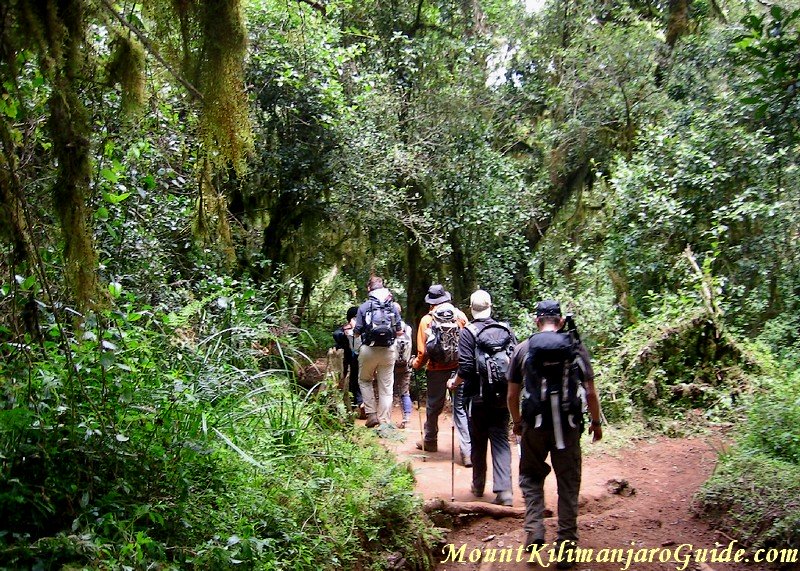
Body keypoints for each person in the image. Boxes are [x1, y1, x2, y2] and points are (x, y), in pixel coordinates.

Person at [506, 300, 603, 570]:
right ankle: (567, 547)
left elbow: (512, 394)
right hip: (569, 426)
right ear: (560, 321)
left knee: (531, 476)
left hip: (534, 426)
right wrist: (596, 423)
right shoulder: (575, 348)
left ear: (537, 322)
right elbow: (591, 392)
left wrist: (517, 422)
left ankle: (535, 529)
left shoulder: (523, 349)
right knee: (568, 482)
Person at [448, 290, 514, 506]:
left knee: (477, 439)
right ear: (490, 307)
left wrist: (454, 383)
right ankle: (504, 492)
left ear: (471, 309)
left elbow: (466, 367)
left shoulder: (468, 332)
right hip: (503, 397)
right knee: (501, 439)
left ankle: (478, 485)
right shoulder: (505, 329)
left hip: (476, 397)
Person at [411, 284, 471, 465]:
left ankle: (430, 441)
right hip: (459, 368)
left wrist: (416, 365)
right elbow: (468, 342)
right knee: (459, 409)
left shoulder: (426, 321)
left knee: (433, 406)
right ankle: (467, 452)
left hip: (436, 369)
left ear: (431, 303)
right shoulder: (460, 317)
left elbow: (423, 352)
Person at [353, 276, 403, 428]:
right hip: (388, 350)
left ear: (369, 289)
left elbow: (356, 332)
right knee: (386, 387)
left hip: (369, 349)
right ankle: (385, 421)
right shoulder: (392, 306)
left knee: (365, 380)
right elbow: (400, 331)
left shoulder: (365, 307)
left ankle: (371, 414)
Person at [332, 306, 364, 418]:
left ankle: (358, 404)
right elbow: (336, 335)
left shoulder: (361, 328)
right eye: (354, 317)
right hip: (345, 360)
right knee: (345, 380)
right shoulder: (344, 329)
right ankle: (349, 404)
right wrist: (345, 334)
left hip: (357, 359)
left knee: (356, 381)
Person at [392, 302, 414, 428]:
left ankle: (386, 418)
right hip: (405, 364)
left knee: (388, 391)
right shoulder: (408, 328)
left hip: (391, 364)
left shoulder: (390, 328)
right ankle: (406, 417)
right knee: (405, 392)